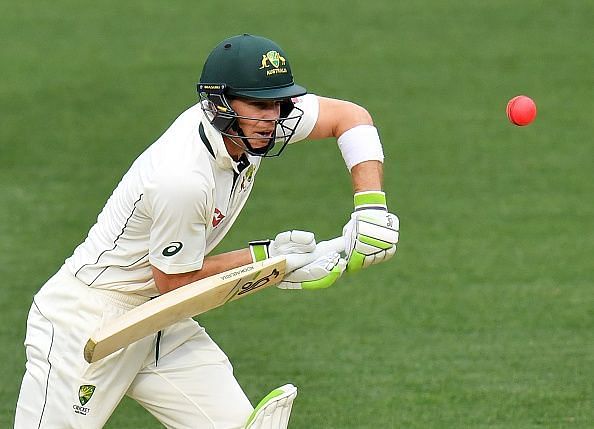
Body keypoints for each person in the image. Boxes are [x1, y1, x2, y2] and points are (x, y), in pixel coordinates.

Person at [14, 34, 399, 429]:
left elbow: (351, 118)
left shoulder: (252, 127)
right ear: (219, 103)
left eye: (280, 104)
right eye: (261, 106)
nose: (274, 118)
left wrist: (370, 207)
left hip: (160, 317)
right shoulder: (181, 178)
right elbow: (176, 281)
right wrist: (272, 262)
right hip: (88, 319)